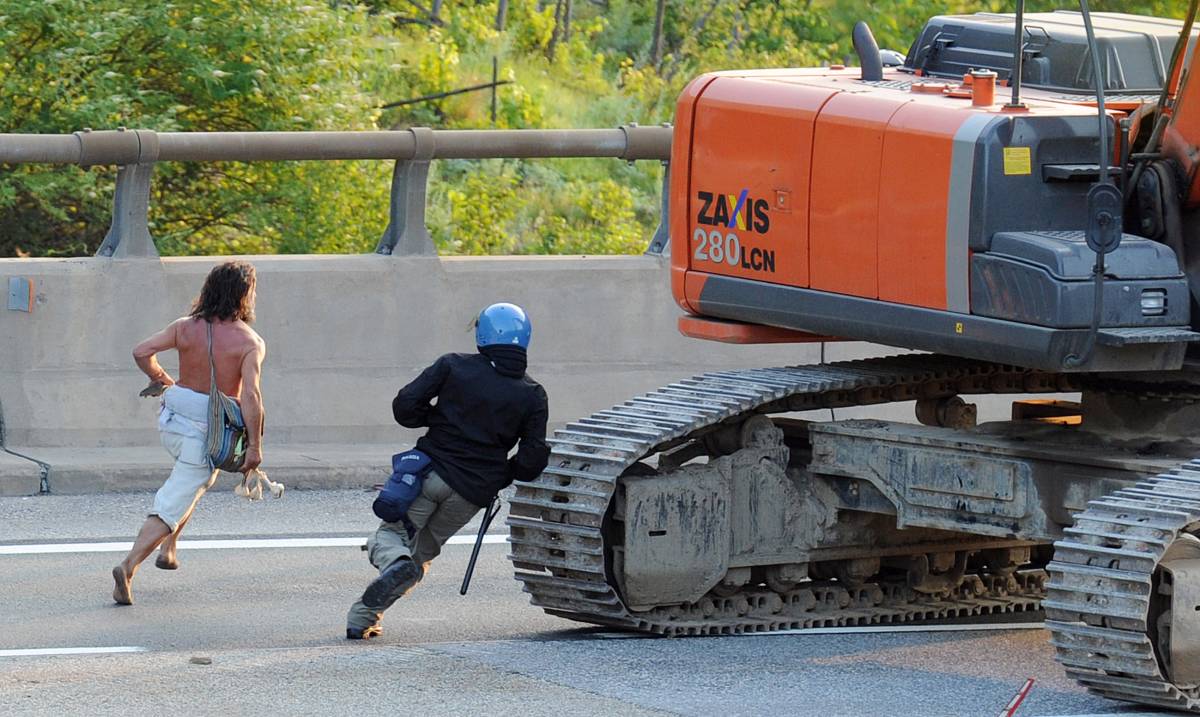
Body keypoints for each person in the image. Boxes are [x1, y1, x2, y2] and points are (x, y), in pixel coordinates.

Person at [346, 302, 550, 640]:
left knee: (389, 536)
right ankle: (363, 618)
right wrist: (500, 471)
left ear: (483, 335)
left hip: (428, 476)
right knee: (421, 554)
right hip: (471, 494)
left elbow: (405, 407)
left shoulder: (453, 366)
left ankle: (392, 566)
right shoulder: (532, 394)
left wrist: (435, 419)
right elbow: (530, 461)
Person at [111, 261, 266, 606]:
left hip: (172, 420)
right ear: (245, 295)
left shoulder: (184, 327)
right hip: (205, 432)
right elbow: (252, 397)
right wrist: (254, 446)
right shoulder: (249, 342)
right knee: (172, 501)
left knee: (199, 481)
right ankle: (128, 565)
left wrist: (161, 378)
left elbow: (141, 351)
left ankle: (169, 548)